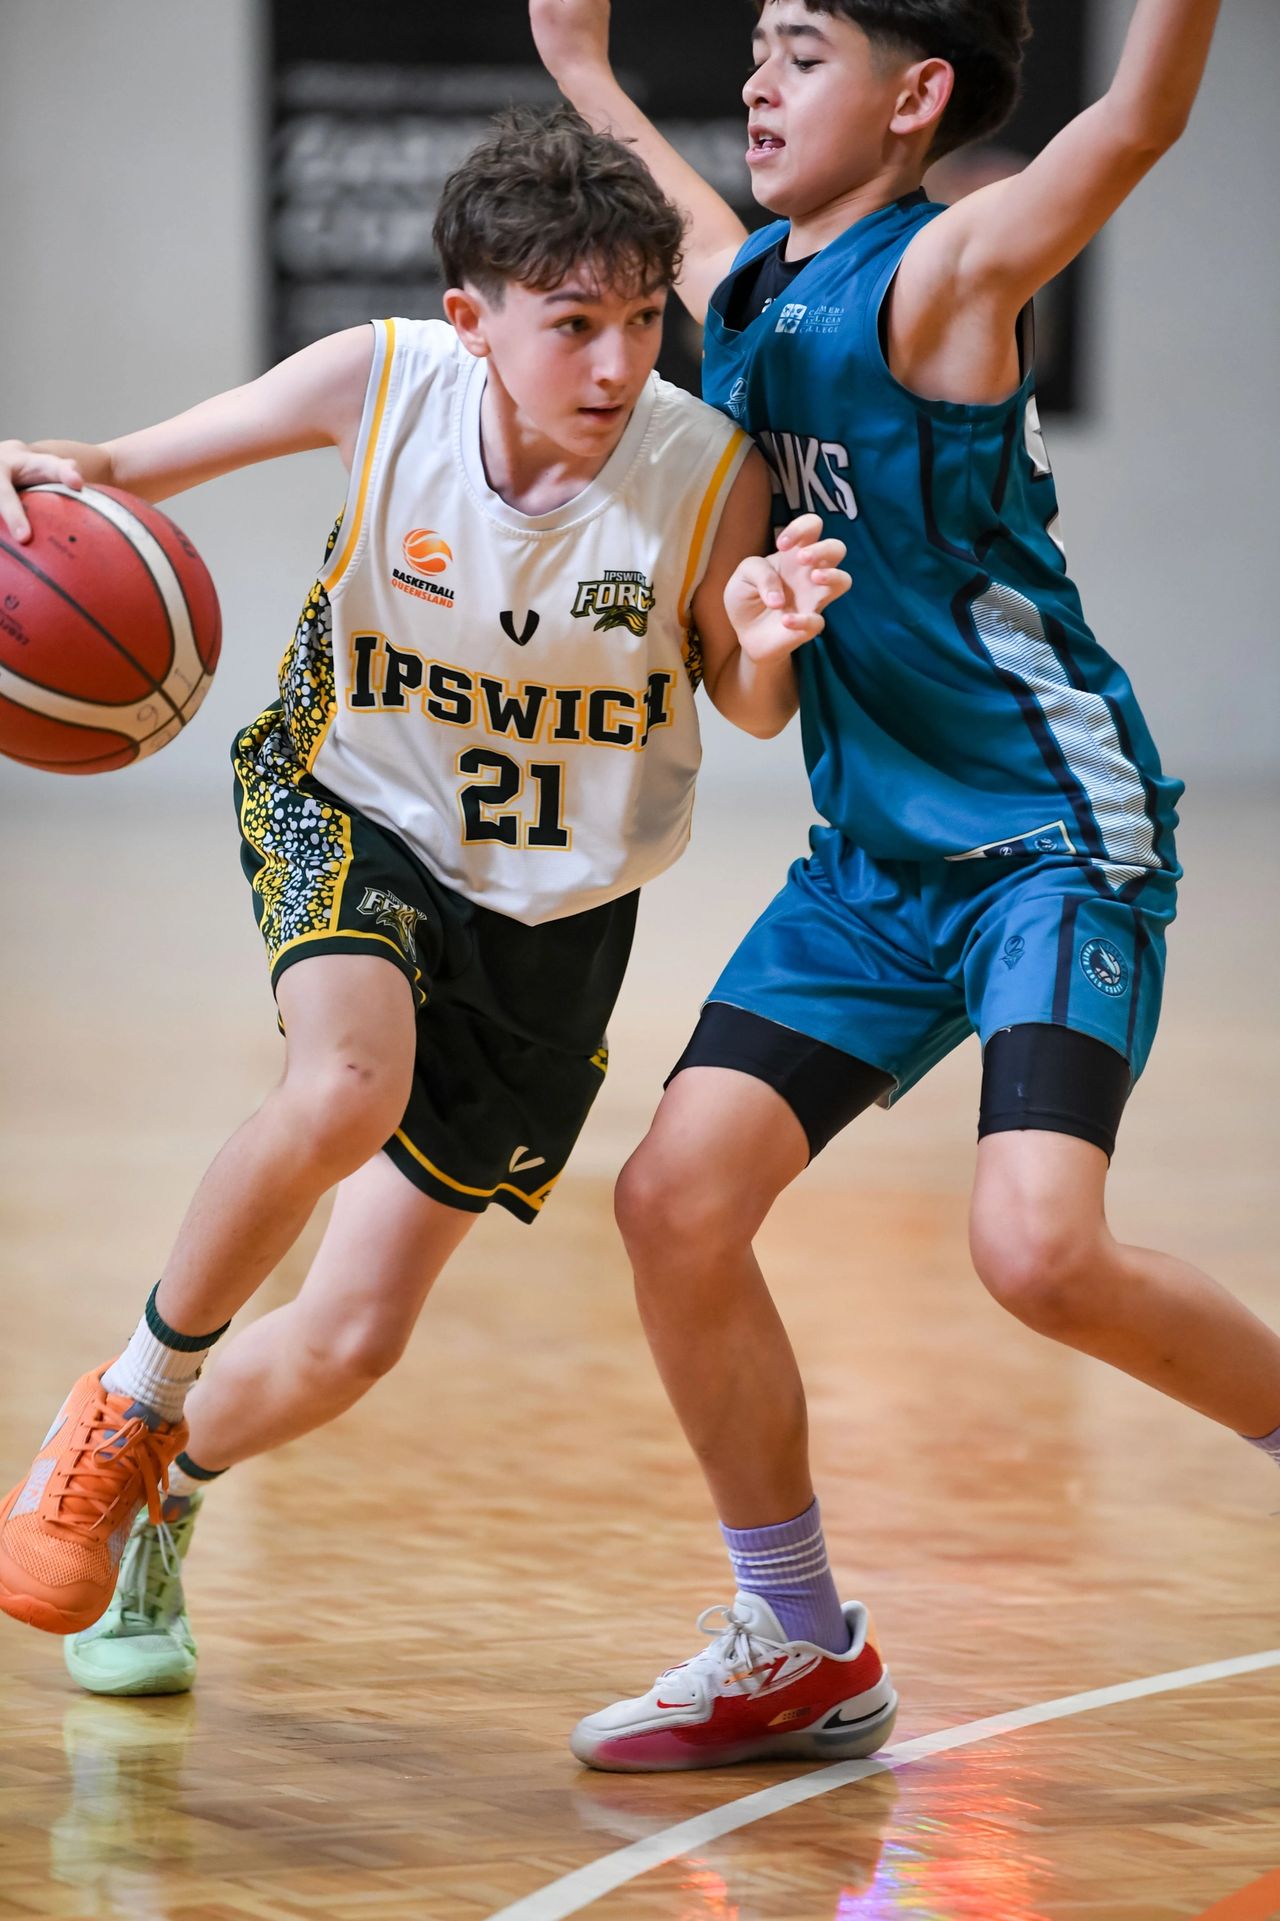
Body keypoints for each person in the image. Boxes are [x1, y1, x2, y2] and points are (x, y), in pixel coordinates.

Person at [0, 106, 855, 1701]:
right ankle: (123, 1403)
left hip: (552, 911)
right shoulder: (383, 381)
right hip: (351, 799)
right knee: (346, 1079)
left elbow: (745, 707)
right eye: (574, 324)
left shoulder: (704, 469)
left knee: (351, 1339)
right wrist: (39, 472)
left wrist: (763, 639)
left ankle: (163, 1491)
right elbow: (117, 468)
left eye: (644, 319)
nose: (619, 361)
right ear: (473, 320)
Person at [530, 0, 1280, 1772]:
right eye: (757, 49)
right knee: (673, 1203)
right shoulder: (754, 284)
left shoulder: (946, 274)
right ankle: (797, 1641)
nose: (757, 81)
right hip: (874, 865)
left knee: (1039, 1250)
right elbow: (682, 211)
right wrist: (580, 65)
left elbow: (1136, 121)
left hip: (1047, 840)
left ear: (917, 94)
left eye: (803, 52)